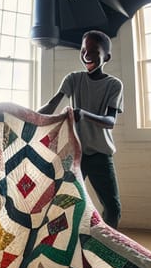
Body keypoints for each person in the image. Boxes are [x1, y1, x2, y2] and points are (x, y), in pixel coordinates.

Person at [38, 30, 124, 228]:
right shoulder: (73, 79)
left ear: (107, 56)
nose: (86, 55)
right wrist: (26, 117)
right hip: (75, 154)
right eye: (84, 49)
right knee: (62, 205)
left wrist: (84, 114)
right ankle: (63, 249)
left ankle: (107, 247)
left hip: (101, 155)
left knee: (112, 208)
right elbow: (51, 107)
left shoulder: (114, 85)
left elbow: (110, 121)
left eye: (94, 51)